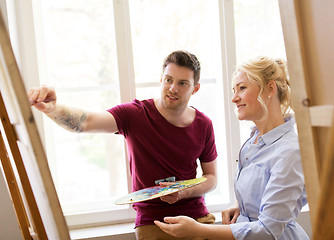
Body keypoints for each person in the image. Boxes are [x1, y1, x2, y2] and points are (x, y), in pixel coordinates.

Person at [28, 50, 218, 240]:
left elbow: (211, 177)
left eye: (182, 83)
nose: (173, 88)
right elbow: (84, 122)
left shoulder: (204, 124)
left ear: (195, 88)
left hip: (197, 218)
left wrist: (183, 192)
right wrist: (53, 108)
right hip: (155, 222)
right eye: (168, 80)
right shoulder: (135, 114)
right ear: (161, 79)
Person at [155, 56, 309, 240]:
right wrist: (241, 206)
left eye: (242, 88)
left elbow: (268, 230)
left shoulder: (290, 152)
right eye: (234, 90)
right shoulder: (253, 142)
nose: (234, 98)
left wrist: (199, 230)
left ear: (270, 88)